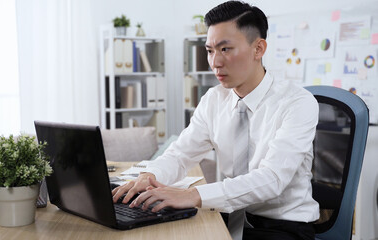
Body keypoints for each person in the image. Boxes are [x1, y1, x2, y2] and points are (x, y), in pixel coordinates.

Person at [112, 1, 320, 239]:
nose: (215, 63)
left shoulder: (297, 102)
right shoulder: (214, 99)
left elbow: (272, 179)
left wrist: (194, 195)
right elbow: (180, 155)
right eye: (210, 50)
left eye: (225, 49)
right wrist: (151, 175)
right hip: (228, 214)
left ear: (258, 49)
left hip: (282, 226)